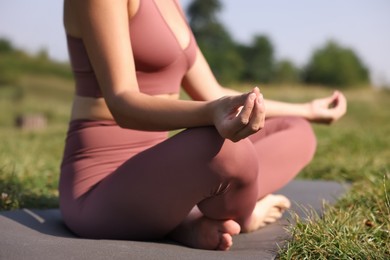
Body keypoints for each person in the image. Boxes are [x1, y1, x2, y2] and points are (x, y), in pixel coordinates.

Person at [60, 0, 347, 251]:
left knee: (295, 131)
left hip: (156, 168)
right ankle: (241, 215)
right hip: (100, 184)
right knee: (226, 152)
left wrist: (308, 110)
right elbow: (123, 102)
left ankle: (186, 218)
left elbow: (213, 91)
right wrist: (212, 114)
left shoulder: (171, 3)